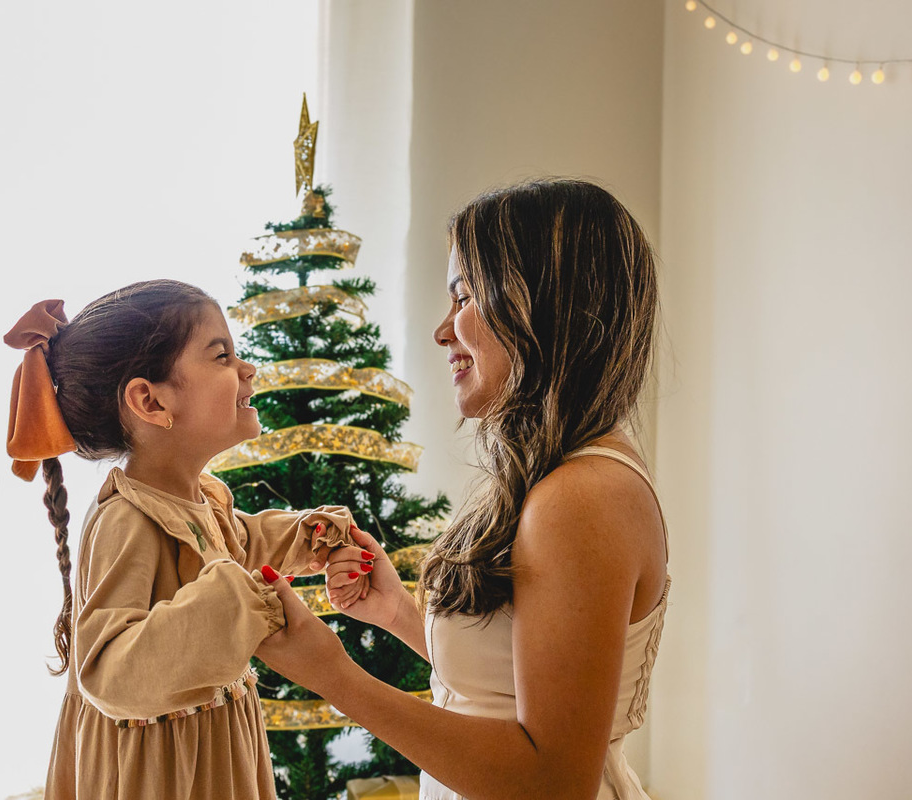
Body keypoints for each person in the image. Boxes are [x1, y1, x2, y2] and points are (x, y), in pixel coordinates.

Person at [254, 178, 670, 800]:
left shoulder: (582, 496)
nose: (442, 331)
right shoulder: (563, 480)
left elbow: (551, 780)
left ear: (544, 304)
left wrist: (333, 676)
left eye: (465, 295)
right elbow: (507, 692)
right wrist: (396, 612)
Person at [2, 279, 374, 800]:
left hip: (216, 753)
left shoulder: (202, 499)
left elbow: (241, 541)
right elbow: (108, 671)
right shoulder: (125, 520)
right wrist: (232, 604)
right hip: (162, 776)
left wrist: (312, 537)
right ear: (149, 401)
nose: (248, 370)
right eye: (222, 356)